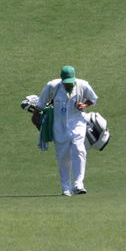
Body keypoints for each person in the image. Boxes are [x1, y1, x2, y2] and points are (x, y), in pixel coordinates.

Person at [32, 65, 96, 196]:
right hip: (59, 125)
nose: (68, 85)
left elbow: (93, 99)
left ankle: (79, 184)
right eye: (66, 83)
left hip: (77, 122)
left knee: (79, 150)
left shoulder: (83, 85)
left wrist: (84, 105)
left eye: (70, 82)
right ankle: (65, 187)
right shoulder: (52, 86)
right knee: (63, 156)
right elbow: (40, 103)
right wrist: (37, 117)